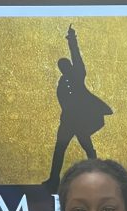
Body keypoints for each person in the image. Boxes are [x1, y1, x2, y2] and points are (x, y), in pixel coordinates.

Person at [42, 24, 114, 192]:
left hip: (80, 120)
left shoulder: (78, 74)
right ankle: (53, 179)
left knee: (87, 147)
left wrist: (72, 40)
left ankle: (97, 174)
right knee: (60, 149)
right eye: (61, 66)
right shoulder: (61, 83)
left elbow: (76, 57)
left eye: (65, 65)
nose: (64, 68)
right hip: (68, 121)